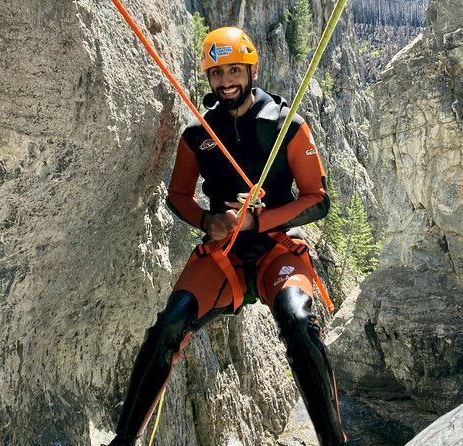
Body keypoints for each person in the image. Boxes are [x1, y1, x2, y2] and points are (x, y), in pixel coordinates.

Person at [106, 26, 347, 446]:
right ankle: (123, 440)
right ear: (209, 79)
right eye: (217, 73)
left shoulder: (285, 125)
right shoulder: (198, 135)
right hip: (225, 252)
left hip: (275, 249)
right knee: (169, 325)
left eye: (234, 70)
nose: (226, 81)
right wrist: (207, 221)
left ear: (251, 70)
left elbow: (318, 200)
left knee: (298, 323)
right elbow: (177, 195)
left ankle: (333, 441)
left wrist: (261, 220)